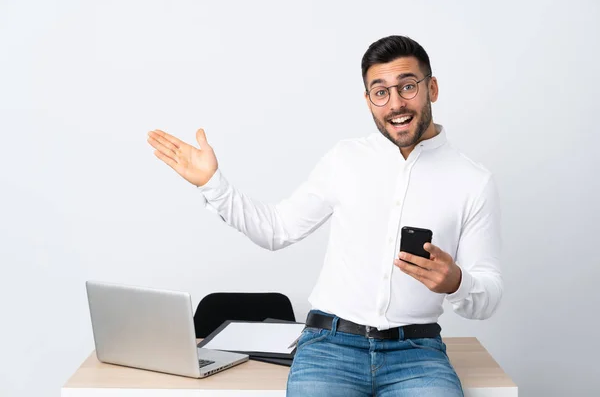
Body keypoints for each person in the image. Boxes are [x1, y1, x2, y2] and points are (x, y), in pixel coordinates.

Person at [147, 35, 502, 396]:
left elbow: (488, 293)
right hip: (330, 347)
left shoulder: (472, 181)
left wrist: (456, 281)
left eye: (407, 87)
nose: (396, 104)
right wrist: (212, 185)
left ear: (433, 88)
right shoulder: (344, 160)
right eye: (380, 92)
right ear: (368, 101)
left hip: (417, 354)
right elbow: (276, 230)